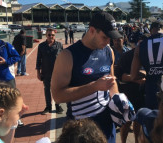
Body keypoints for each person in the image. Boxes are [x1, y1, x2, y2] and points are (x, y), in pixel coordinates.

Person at [51, 12, 122, 143]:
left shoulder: (108, 51)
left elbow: (112, 81)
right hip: (81, 127)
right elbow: (58, 96)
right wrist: (94, 86)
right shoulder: (67, 56)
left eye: (110, 38)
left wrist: (118, 100)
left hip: (107, 121)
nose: (108, 41)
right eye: (105, 37)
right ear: (92, 30)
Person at [115, 33, 147, 143]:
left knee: (138, 121)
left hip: (143, 95)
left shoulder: (150, 56)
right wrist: (135, 78)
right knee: (127, 121)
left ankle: (137, 141)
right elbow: (120, 75)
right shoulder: (127, 56)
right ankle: (123, 141)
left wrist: (145, 75)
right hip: (129, 94)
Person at [36, 28, 64, 115]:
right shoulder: (41, 46)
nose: (51, 36)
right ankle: (48, 106)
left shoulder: (59, 45)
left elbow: (63, 59)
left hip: (57, 72)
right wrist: (38, 72)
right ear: (46, 35)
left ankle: (58, 106)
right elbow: (38, 60)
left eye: (52, 35)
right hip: (46, 72)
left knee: (56, 89)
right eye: (49, 35)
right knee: (47, 89)